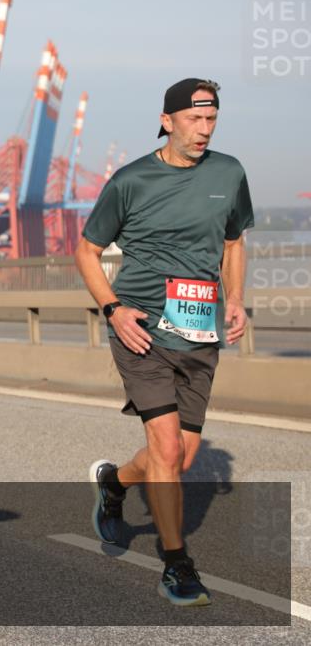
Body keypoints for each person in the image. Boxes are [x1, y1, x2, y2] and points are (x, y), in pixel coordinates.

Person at [75, 79, 254, 607]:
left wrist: (236, 298)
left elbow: (233, 239)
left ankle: (114, 483)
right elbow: (87, 252)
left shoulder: (229, 172)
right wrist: (114, 308)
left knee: (178, 457)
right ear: (168, 119)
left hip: (199, 329)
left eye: (212, 120)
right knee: (168, 447)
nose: (204, 130)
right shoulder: (131, 181)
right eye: (195, 120)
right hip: (142, 329)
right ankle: (177, 565)